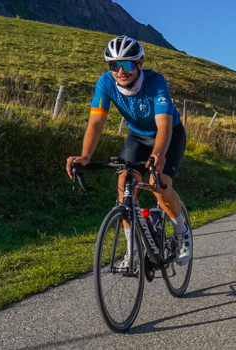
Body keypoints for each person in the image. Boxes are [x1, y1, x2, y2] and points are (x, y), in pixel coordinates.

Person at [65, 35, 192, 265]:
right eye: (114, 65)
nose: (121, 71)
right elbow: (95, 123)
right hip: (138, 137)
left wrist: (159, 154)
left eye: (127, 64)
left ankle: (182, 231)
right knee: (124, 184)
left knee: (158, 184)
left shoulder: (155, 82)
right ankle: (132, 252)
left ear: (140, 63)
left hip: (168, 135)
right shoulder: (105, 83)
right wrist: (85, 156)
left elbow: (163, 124)